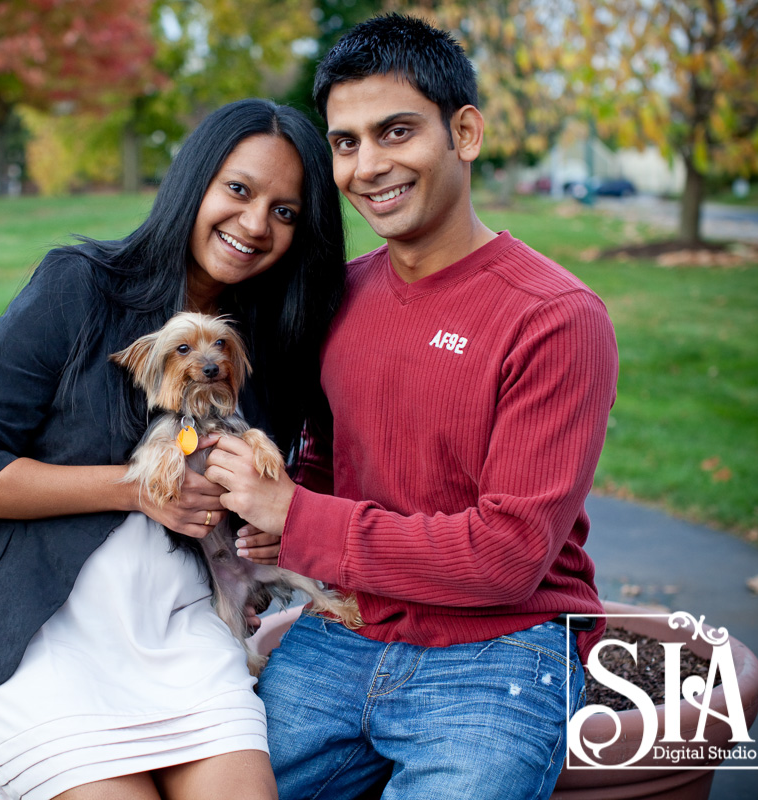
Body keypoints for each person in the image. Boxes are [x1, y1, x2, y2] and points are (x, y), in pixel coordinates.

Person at [206, 14, 619, 799]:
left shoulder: (554, 317)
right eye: (347, 142)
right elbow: (327, 465)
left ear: (464, 132)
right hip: (345, 628)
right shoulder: (342, 297)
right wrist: (268, 523)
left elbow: (508, 555)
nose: (369, 166)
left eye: (396, 131)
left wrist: (298, 516)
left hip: (502, 646)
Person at [0, 98, 346, 800]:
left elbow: (271, 502)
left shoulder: (265, 346)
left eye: (285, 211)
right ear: (196, 180)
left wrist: (269, 533)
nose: (254, 224)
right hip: (45, 645)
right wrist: (134, 488)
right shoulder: (80, 286)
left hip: (187, 643)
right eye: (238, 190)